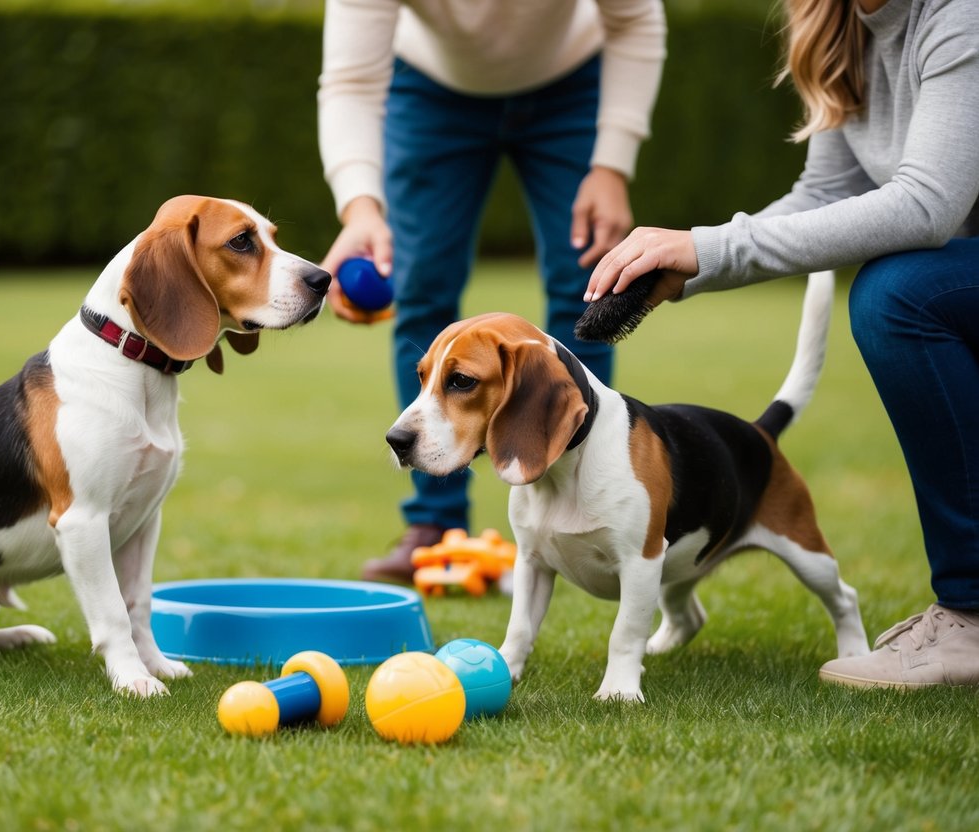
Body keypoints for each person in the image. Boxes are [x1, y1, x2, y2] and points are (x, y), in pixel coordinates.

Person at [585, 0, 979, 689]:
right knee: (900, 291)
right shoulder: (835, 25)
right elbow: (826, 193)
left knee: (898, 295)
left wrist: (708, 247)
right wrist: (691, 266)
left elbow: (927, 204)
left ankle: (971, 612)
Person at [316, 0, 666, 582]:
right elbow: (351, 80)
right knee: (421, 291)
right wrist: (359, 208)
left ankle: (593, 509)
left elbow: (635, 19)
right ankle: (434, 526)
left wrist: (612, 165)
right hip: (431, 87)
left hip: (572, 80)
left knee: (589, 294)